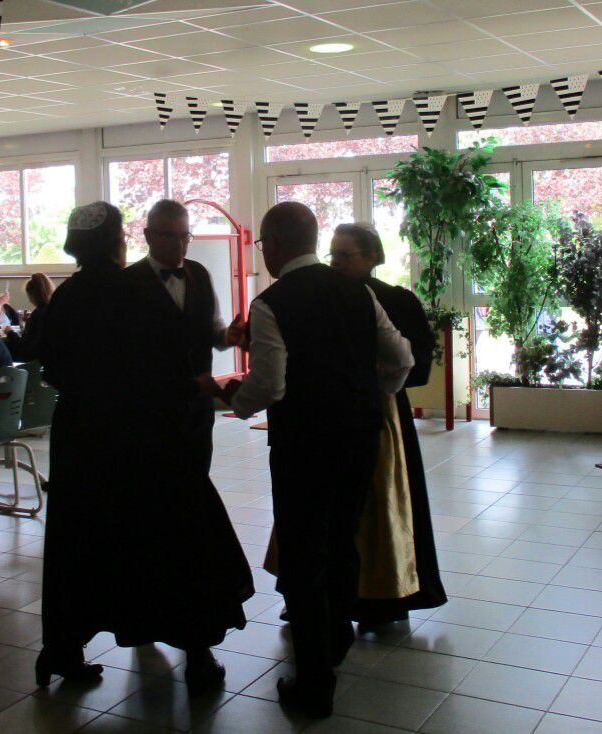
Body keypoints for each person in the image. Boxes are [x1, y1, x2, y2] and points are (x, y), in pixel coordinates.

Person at [204, 202, 413, 718]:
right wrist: (370, 396)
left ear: (274, 243)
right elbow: (401, 358)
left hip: (305, 444)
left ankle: (314, 683)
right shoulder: (357, 291)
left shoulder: (271, 302)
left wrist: (234, 405)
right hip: (360, 436)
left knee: (303, 551)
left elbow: (270, 382)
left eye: (263, 245)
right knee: (342, 538)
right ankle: (337, 637)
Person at [38, 202, 253, 695]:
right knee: (178, 530)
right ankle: (192, 640)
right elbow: (145, 372)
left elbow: (53, 368)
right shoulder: (127, 290)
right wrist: (201, 387)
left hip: (82, 435)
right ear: (124, 240)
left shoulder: (68, 296)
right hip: (140, 435)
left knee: (82, 539)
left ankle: (66, 646)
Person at [330, 222, 446, 625]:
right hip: (331, 415)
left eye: (346, 255)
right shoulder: (322, 295)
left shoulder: (396, 300)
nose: (337, 262)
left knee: (382, 504)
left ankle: (382, 594)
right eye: (334, 254)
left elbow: (418, 364)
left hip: (384, 413)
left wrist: (376, 380)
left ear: (372, 258)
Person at [124, 199, 245, 477]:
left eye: (185, 236)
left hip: (198, 411)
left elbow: (215, 332)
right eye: (169, 236)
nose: (179, 246)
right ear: (148, 236)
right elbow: (130, 357)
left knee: (197, 481)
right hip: (152, 411)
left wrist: (231, 335)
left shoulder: (199, 274)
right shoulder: (127, 284)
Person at [3, 273, 53, 362]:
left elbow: (23, 346)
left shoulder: (37, 314)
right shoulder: (52, 309)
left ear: (31, 295)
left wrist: (10, 332)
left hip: (32, 359)